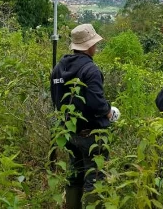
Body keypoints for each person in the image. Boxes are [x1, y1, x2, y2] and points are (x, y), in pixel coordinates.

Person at [51, 24, 115, 209]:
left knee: (75, 175)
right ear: (89, 46)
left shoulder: (58, 68)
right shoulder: (90, 69)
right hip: (91, 135)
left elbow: (57, 100)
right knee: (94, 178)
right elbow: (97, 103)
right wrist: (109, 111)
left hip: (69, 132)